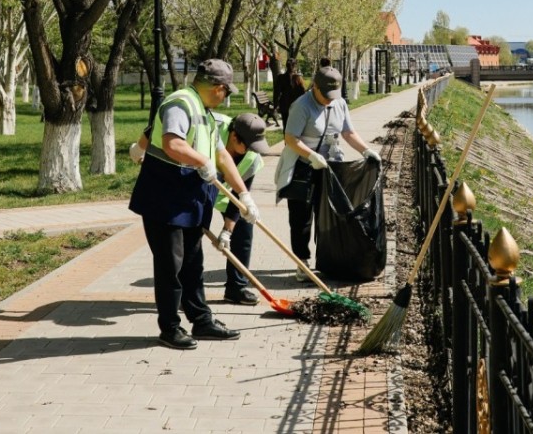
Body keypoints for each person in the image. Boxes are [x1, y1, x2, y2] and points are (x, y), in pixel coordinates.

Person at [129, 59, 258, 350]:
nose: (226, 97)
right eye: (227, 91)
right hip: (166, 198)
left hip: (189, 199)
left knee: (192, 263)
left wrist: (244, 195)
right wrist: (202, 161)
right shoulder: (181, 103)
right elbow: (173, 143)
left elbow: (222, 155)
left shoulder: (205, 113)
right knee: (170, 266)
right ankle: (170, 328)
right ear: (217, 88)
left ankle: (201, 320)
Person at [273, 66, 380, 280]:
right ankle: (302, 261)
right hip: (302, 167)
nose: (330, 100)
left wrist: (366, 150)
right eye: (325, 95)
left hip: (330, 166)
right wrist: (311, 155)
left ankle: (330, 257)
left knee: (330, 214)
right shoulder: (301, 106)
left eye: (334, 95)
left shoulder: (339, 103)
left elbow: (348, 132)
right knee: (301, 217)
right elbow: (290, 138)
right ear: (315, 86)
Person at [210, 112, 270, 305]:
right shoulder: (213, 128)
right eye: (249, 145)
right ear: (234, 136)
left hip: (225, 194)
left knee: (244, 227)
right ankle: (187, 295)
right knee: (190, 237)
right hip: (195, 188)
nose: (253, 151)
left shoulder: (252, 157)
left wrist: (227, 231)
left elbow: (239, 197)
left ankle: (236, 289)